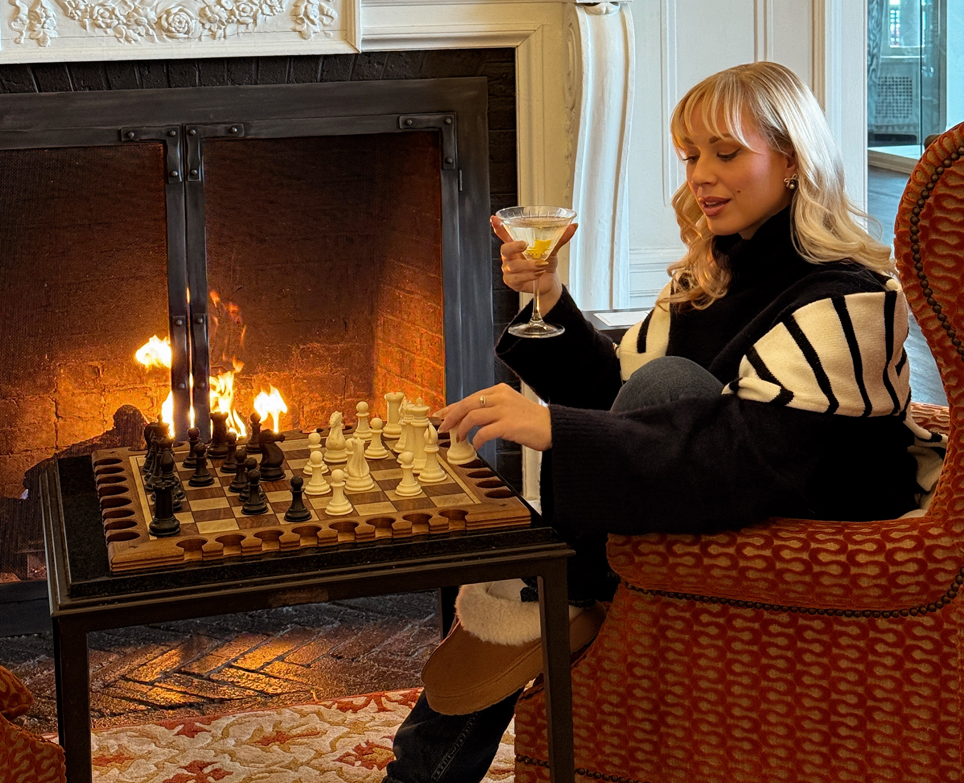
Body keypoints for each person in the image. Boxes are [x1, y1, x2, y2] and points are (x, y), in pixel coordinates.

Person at [384, 62, 945, 783]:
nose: (701, 175)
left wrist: (555, 429)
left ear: (794, 158)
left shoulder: (854, 296)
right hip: (695, 490)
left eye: (727, 152)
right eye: (690, 154)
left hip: (809, 512)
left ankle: (555, 592)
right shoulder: (709, 275)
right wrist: (551, 300)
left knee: (663, 389)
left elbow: (748, 453)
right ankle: (549, 599)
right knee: (636, 392)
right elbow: (615, 392)